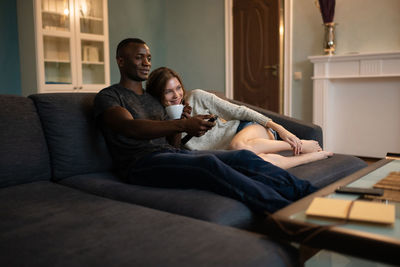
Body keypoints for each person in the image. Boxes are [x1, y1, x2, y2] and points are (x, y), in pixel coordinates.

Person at [94, 37, 317, 213]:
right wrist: (181, 125)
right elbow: (130, 128)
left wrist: (182, 124)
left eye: (149, 57)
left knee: (243, 158)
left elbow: (174, 145)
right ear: (121, 61)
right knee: (209, 164)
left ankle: (313, 194)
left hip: (169, 154)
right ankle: (286, 212)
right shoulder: (110, 96)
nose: (146, 63)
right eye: (139, 57)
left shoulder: (154, 100)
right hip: (139, 165)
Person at [146, 67, 333, 169]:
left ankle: (300, 144)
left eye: (178, 88)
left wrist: (281, 130)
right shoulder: (163, 123)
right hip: (240, 152)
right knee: (261, 164)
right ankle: (311, 157)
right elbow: (174, 151)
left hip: (246, 130)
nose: (177, 95)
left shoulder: (195, 97)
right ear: (158, 95)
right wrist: (180, 123)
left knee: (237, 146)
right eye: (168, 91)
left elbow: (242, 112)